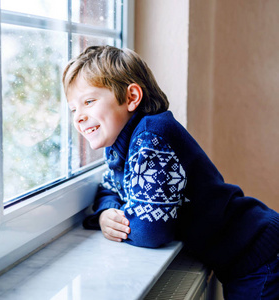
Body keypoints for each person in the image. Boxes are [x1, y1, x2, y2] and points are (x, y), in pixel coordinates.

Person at [62, 45, 279, 299]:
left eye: (88, 101)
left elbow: (150, 230)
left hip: (259, 257)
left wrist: (116, 219)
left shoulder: (151, 136)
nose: (78, 117)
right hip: (245, 258)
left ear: (132, 97)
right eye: (73, 109)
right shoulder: (119, 146)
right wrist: (105, 213)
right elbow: (108, 188)